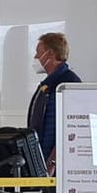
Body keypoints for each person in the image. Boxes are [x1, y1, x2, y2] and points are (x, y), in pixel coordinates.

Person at [27, 32, 81, 167]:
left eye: (38, 52)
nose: (36, 57)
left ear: (50, 54)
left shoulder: (69, 83)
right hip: (42, 160)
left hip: (59, 167)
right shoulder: (48, 84)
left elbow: (71, 128)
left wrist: (52, 162)